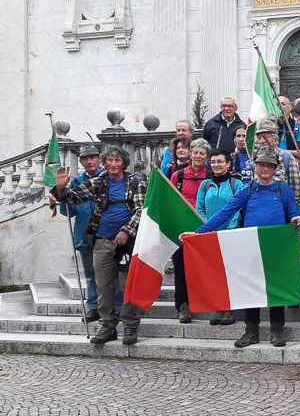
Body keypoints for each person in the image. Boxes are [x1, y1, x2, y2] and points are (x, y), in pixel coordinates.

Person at [194, 147, 300, 348]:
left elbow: (292, 211)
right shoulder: (247, 189)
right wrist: (199, 232)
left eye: (269, 166)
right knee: (250, 291)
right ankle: (251, 331)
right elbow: (225, 213)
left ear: (274, 169)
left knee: (276, 290)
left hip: (276, 248)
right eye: (262, 165)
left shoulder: (283, 189)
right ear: (255, 167)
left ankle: (277, 331)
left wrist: (296, 218)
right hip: (251, 247)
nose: (265, 169)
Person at [51, 146, 147, 345]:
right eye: (109, 161)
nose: (113, 164)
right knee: (103, 286)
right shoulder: (98, 182)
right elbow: (73, 198)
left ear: (123, 164)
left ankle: (130, 325)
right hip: (102, 240)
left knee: (127, 285)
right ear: (104, 164)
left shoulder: (136, 182)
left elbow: (141, 211)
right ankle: (108, 325)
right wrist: (60, 188)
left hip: (127, 244)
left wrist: (125, 231)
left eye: (117, 161)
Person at [59, 143, 123, 323]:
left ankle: (117, 307)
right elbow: (68, 212)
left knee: (115, 273)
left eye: (93, 157)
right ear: (81, 161)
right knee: (90, 274)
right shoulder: (76, 182)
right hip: (85, 234)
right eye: (85, 158)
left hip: (109, 233)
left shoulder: (110, 177)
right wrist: (61, 193)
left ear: (99, 159)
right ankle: (93, 306)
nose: (89, 161)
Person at [195, 148, 244, 326]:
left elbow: (238, 207)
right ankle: (218, 306)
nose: (216, 165)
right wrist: (208, 227)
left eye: (220, 161)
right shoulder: (204, 185)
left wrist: (228, 229)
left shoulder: (236, 184)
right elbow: (199, 207)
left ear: (228, 164)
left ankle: (230, 308)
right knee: (214, 273)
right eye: (213, 162)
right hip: (209, 235)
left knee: (230, 271)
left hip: (230, 235)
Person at [169, 138, 212, 323]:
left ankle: (208, 302)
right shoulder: (177, 176)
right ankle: (183, 306)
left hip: (205, 227)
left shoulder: (211, 175)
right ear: (190, 153)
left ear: (207, 156)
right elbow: (170, 201)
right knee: (180, 267)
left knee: (206, 267)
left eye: (202, 153)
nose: (198, 156)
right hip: (182, 227)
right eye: (195, 152)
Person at [254, 119, 300, 206]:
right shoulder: (255, 159)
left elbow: (297, 191)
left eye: (265, 137)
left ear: (276, 139)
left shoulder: (287, 158)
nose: (261, 141)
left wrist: (289, 211)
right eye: (259, 138)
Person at [276, 95, 300, 160]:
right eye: (277, 104)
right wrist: (295, 152)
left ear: (290, 107)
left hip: (292, 163)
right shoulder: (270, 125)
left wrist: (276, 150)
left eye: (283, 104)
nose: (280, 106)